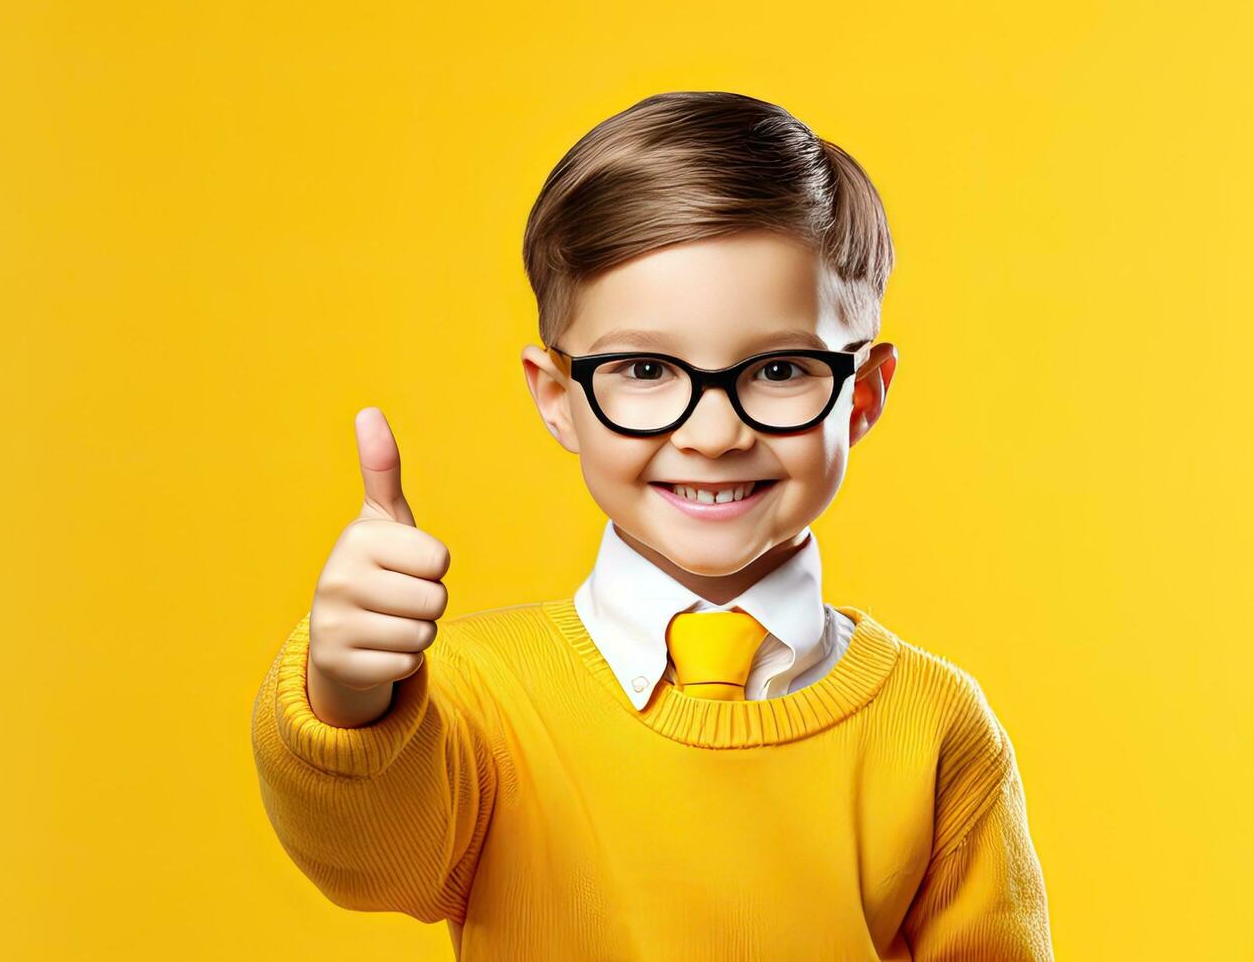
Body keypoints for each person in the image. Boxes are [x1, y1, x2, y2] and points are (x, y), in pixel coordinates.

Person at [249, 90, 1053, 959]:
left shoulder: (933, 727)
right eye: (643, 369)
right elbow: (367, 862)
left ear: (860, 394)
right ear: (559, 399)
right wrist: (348, 698)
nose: (713, 435)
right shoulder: (473, 705)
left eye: (779, 368)